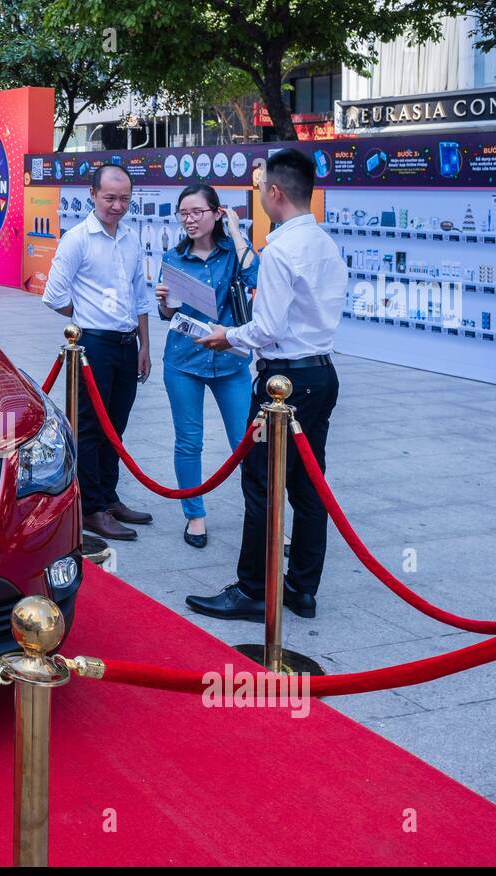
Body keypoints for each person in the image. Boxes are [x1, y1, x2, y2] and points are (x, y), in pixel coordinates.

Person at [185, 148, 347, 621]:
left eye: (259, 189)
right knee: (309, 485)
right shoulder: (323, 243)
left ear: (275, 193)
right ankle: (302, 589)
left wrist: (225, 336)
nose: (258, 197)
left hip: (284, 382)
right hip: (321, 373)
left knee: (260, 483)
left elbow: (266, 329)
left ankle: (253, 588)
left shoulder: (279, 250)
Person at [41, 162, 153, 542]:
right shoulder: (78, 239)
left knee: (116, 427)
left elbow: (141, 294)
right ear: (92, 194)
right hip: (93, 347)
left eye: (124, 199)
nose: (118, 206)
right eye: (110, 198)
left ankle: (108, 494)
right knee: (90, 428)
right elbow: (53, 295)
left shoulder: (131, 237)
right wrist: (86, 316)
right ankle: (91, 507)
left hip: (126, 345)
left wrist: (145, 345)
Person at [154, 185, 258, 549]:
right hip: (183, 359)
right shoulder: (173, 256)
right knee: (189, 441)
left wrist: (237, 234)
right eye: (184, 213)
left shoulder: (233, 254)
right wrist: (166, 304)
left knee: (246, 443)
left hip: (230, 359)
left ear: (217, 213)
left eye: (197, 211)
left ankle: (264, 516)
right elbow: (166, 313)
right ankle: (194, 515)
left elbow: (256, 279)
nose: (190, 219)